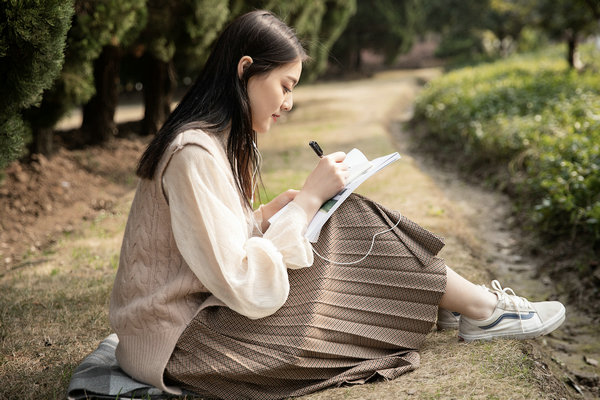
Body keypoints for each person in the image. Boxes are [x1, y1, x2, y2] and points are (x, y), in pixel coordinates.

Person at [109, 10, 566, 400]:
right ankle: (478, 309)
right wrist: (306, 201)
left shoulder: (209, 142)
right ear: (245, 69)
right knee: (340, 217)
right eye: (285, 86)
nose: (287, 103)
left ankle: (464, 305)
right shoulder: (194, 151)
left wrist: (270, 214)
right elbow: (244, 283)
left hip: (196, 327)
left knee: (337, 212)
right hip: (186, 348)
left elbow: (206, 243)